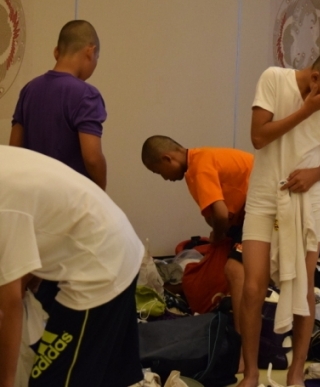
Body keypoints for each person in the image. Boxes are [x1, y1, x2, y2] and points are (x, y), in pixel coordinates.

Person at [238, 47, 320, 387]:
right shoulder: (274, 79)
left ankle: (296, 373)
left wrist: (315, 174)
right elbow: (258, 137)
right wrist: (307, 110)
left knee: (304, 286)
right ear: (315, 78)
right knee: (253, 287)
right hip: (264, 196)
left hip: (307, 200)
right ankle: (250, 373)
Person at [0, 145, 144, 387]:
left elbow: (9, 307)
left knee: (53, 380)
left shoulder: (3, 204)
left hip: (98, 267)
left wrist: (5, 382)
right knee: (103, 375)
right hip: (113, 243)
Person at [141, 136, 253, 332]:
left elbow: (221, 215)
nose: (164, 178)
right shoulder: (199, 160)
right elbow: (216, 215)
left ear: (167, 159)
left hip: (264, 209)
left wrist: (217, 236)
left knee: (234, 271)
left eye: (159, 172)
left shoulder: (199, 168)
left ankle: (241, 335)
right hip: (249, 211)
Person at [9, 20, 107, 190]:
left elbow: (14, 149)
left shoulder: (29, 90)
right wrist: (100, 192)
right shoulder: (87, 95)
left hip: (33, 195)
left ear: (56, 52)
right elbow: (92, 158)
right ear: (90, 52)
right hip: (69, 197)